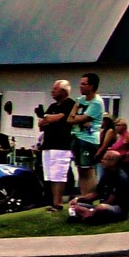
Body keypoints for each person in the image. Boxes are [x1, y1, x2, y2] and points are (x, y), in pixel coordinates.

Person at [36, 79, 78, 211]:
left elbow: (57, 118)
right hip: (48, 144)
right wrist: (48, 118)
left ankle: (58, 203)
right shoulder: (53, 106)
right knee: (49, 175)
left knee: (58, 175)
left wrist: (48, 118)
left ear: (64, 91)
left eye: (55, 88)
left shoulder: (70, 104)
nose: (52, 91)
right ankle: (52, 201)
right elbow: (41, 123)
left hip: (61, 145)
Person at [68, 150, 129, 225]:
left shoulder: (121, 177)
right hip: (101, 206)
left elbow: (111, 199)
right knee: (74, 206)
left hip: (118, 208)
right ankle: (90, 215)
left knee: (102, 208)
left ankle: (87, 215)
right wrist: (78, 199)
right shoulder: (106, 174)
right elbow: (97, 193)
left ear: (113, 162)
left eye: (105, 159)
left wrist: (95, 209)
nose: (102, 161)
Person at [68, 72, 104, 197]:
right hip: (76, 137)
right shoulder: (80, 100)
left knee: (88, 170)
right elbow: (69, 119)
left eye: (84, 84)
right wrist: (78, 118)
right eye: (80, 84)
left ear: (92, 86)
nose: (81, 86)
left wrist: (78, 118)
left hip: (88, 140)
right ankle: (83, 197)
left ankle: (90, 197)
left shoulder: (96, 103)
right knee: (80, 170)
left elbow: (79, 118)